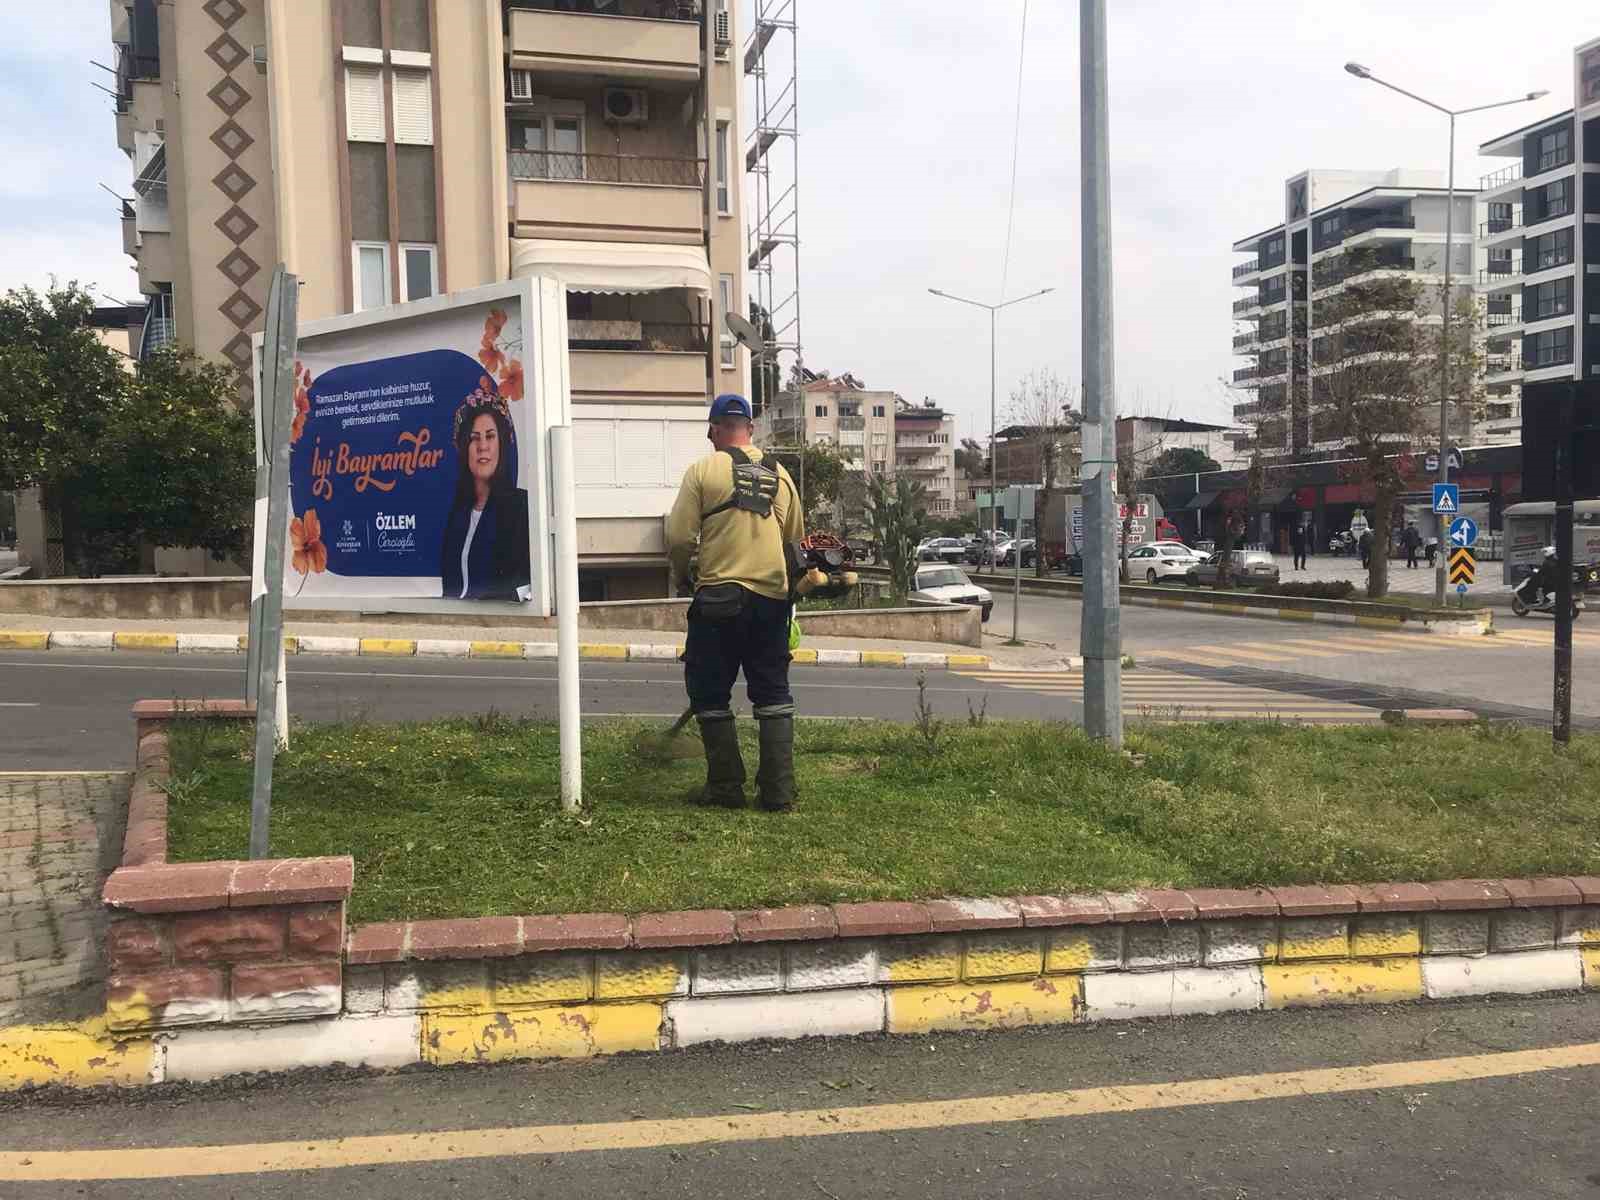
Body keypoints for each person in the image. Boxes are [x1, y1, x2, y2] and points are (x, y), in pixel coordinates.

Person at [666, 394, 804, 812]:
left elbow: (678, 538)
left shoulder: (702, 470)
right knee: (773, 693)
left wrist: (681, 575)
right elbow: (795, 542)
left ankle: (726, 789)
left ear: (713, 430)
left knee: (709, 693)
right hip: (771, 602)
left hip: (718, 599)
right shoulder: (781, 475)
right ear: (750, 429)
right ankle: (778, 793)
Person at [439, 386, 531, 601]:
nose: (482, 446)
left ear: (501, 444)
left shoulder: (521, 506)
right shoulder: (458, 513)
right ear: (464, 447)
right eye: (474, 438)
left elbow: (527, 585)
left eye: (490, 436)